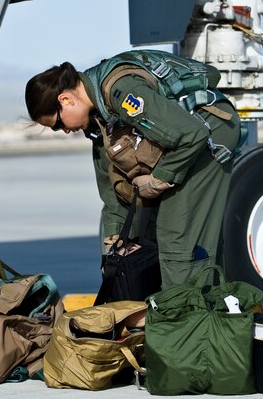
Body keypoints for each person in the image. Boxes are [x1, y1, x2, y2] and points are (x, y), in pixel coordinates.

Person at [25, 53, 241, 288]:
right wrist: (114, 239)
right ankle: (202, 306)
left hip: (211, 132)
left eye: (57, 124)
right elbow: (111, 187)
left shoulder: (122, 92)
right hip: (184, 144)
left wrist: (160, 178)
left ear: (65, 100)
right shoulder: (99, 121)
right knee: (151, 237)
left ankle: (186, 317)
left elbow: (191, 134)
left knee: (176, 235)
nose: (64, 131)